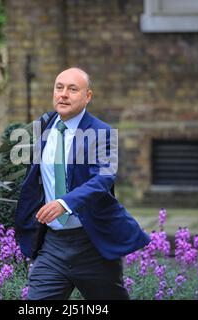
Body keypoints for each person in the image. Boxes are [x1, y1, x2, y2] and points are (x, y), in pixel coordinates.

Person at [15, 67, 150, 300]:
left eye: (72, 89)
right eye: (59, 87)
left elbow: (103, 179)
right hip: (52, 246)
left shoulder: (102, 133)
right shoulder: (44, 126)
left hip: (91, 245)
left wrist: (65, 203)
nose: (63, 94)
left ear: (88, 96)